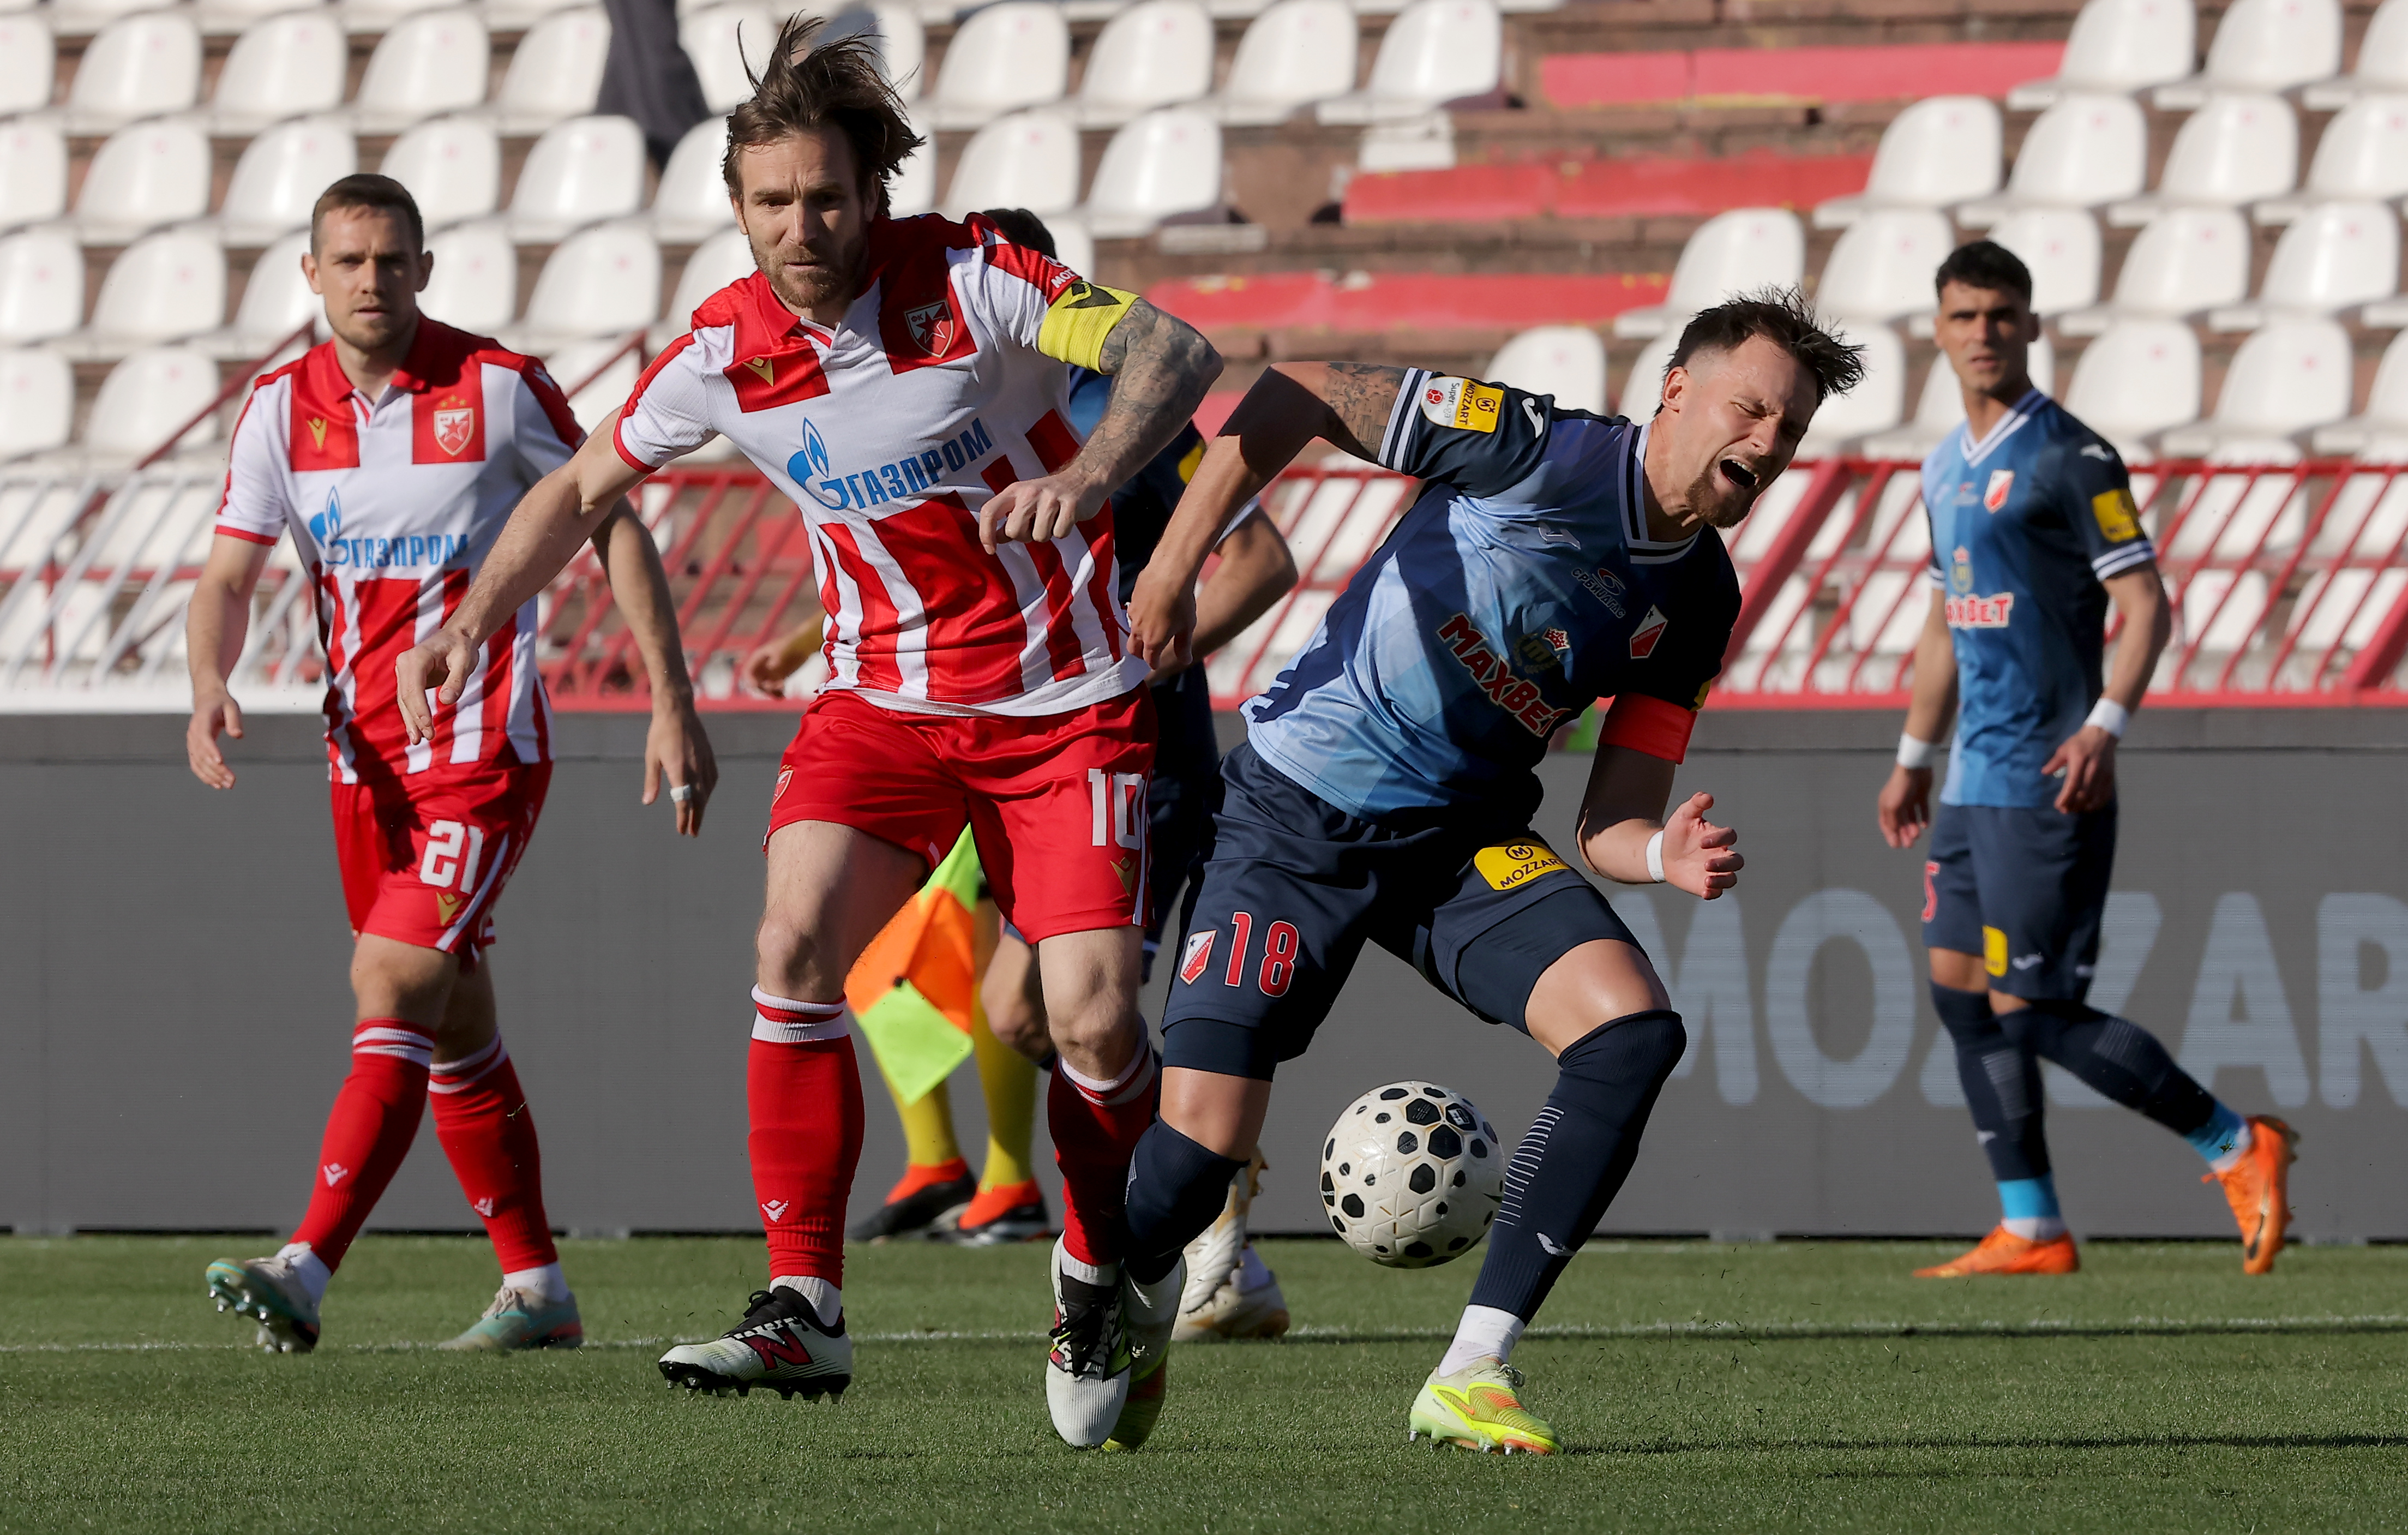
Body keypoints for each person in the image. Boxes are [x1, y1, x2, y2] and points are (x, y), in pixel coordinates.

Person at [392, 19, 1222, 1448]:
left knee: (1086, 1012)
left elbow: (1172, 345)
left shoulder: (978, 279)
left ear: (871, 191)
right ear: (737, 208)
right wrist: (471, 619)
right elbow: (583, 489)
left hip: (1061, 709)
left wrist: (1088, 476)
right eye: (771, 203)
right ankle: (805, 1301)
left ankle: (1099, 1264)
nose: (801, 226)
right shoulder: (723, 348)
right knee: (790, 945)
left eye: (824, 197)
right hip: (877, 707)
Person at [1118, 289, 1865, 1455]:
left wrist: (1658, 857)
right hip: (1293, 814)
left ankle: (1473, 1370)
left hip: (1459, 840)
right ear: (1677, 390)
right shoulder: (1531, 442)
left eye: (1792, 432)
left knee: (1631, 1034)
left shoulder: (1701, 599)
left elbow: (1616, 817)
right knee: (1188, 1162)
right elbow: (1295, 389)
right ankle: (1111, 1290)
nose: (1768, 445)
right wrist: (1171, 569)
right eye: (1752, 410)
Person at [187, 173, 716, 1354]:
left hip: (481, 748)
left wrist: (669, 703)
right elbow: (227, 576)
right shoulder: (278, 408)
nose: (372, 280)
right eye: (350, 261)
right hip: (359, 760)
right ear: (311, 275)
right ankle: (538, 1288)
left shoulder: (497, 386)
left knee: (389, 983)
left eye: (393, 260)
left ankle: (306, 1268)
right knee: (456, 1015)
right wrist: (208, 683)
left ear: (425, 270)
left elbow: (612, 516)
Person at [1876, 241, 2296, 1279]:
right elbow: (1944, 620)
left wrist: (2105, 722)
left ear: (2031, 325)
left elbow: (2147, 601)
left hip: (2044, 782)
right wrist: (1914, 754)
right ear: (1937, 327)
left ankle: (2239, 1143)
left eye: (2002, 315)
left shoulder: (2075, 456)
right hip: (1970, 782)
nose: (1983, 333)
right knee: (1960, 993)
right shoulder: (1940, 466)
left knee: (2038, 1008)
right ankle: (2032, 1225)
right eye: (1965, 316)